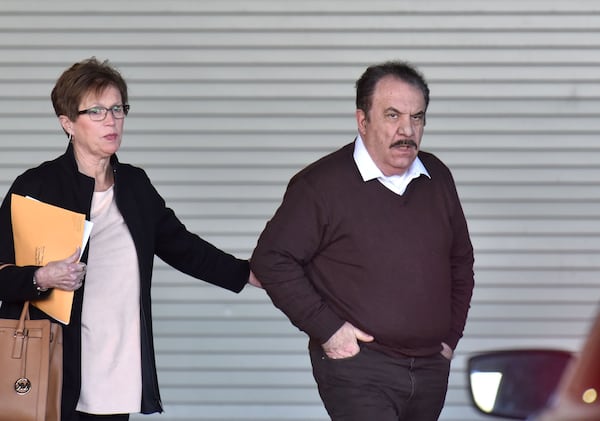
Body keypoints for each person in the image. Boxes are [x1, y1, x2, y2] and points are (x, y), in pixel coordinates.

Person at [0, 57, 261, 421]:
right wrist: (40, 277)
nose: (111, 120)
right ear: (67, 123)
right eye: (96, 111)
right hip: (55, 365)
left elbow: (183, 247)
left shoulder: (135, 185)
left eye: (117, 108)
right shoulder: (36, 187)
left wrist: (249, 273)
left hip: (116, 368)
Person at [250, 60, 474, 421]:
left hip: (431, 368)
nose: (407, 129)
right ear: (362, 120)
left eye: (417, 117)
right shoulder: (320, 186)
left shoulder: (437, 177)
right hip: (361, 369)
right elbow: (271, 260)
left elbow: (461, 261)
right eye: (392, 115)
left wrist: (450, 337)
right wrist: (329, 330)